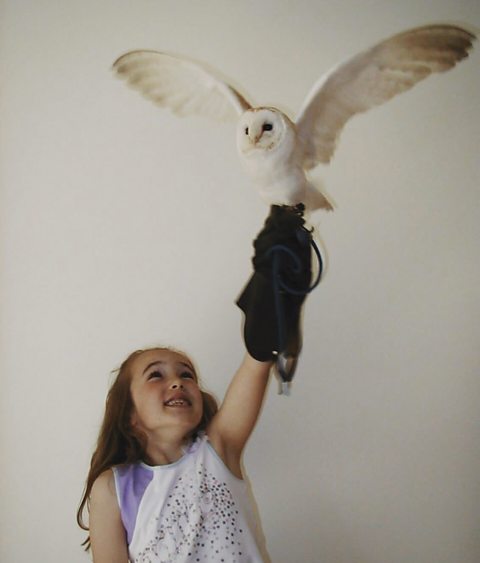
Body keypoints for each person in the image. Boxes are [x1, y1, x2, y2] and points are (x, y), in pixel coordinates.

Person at [77, 345, 272, 562]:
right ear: (129, 412)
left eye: (187, 375)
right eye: (155, 375)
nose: (177, 382)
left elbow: (256, 366)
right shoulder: (112, 487)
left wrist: (262, 337)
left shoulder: (217, 450)